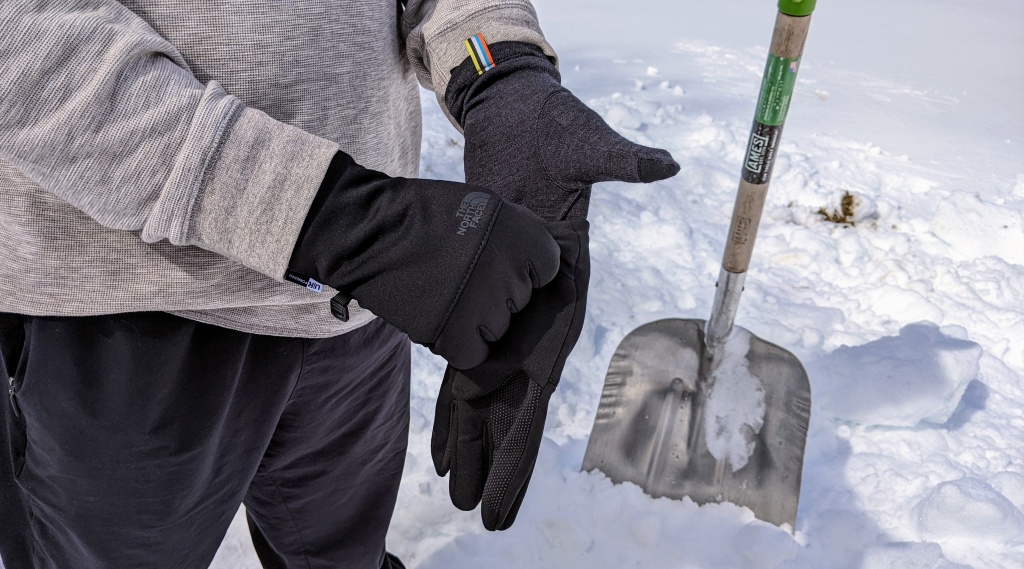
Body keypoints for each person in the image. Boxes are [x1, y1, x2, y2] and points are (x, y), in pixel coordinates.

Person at [0, 1, 679, 567]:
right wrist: (335, 216)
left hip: (362, 296)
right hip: (133, 311)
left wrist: (496, 67)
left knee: (343, 554)